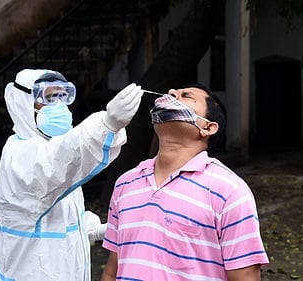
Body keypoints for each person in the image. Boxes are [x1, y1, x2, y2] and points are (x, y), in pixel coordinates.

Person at [101, 84, 269, 281]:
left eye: (186, 96)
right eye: (173, 92)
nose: (171, 94)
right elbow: (112, 270)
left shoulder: (229, 191)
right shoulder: (126, 184)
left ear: (207, 127)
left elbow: (245, 277)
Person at [0, 68, 142, 281]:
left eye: (63, 96)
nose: (59, 106)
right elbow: (63, 158)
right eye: (49, 97)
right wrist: (106, 125)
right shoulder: (21, 155)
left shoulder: (47, 150)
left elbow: (58, 219)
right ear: (23, 104)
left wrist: (96, 230)